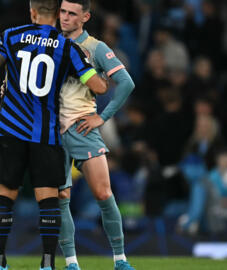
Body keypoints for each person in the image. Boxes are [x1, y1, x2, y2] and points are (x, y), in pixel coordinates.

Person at [0, 0, 107, 269]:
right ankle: (47, 263)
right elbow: (98, 87)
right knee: (47, 198)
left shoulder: (10, 36)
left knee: (4, 194)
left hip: (11, 129)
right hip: (44, 133)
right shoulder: (67, 47)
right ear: (59, 15)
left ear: (32, 12)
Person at [57, 1, 135, 269]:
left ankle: (120, 260)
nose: (65, 17)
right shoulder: (50, 43)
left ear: (85, 17)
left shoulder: (96, 47)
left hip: (82, 127)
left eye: (72, 13)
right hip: (52, 132)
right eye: (62, 12)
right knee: (61, 198)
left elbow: (126, 83)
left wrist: (102, 117)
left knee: (103, 193)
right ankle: (71, 263)